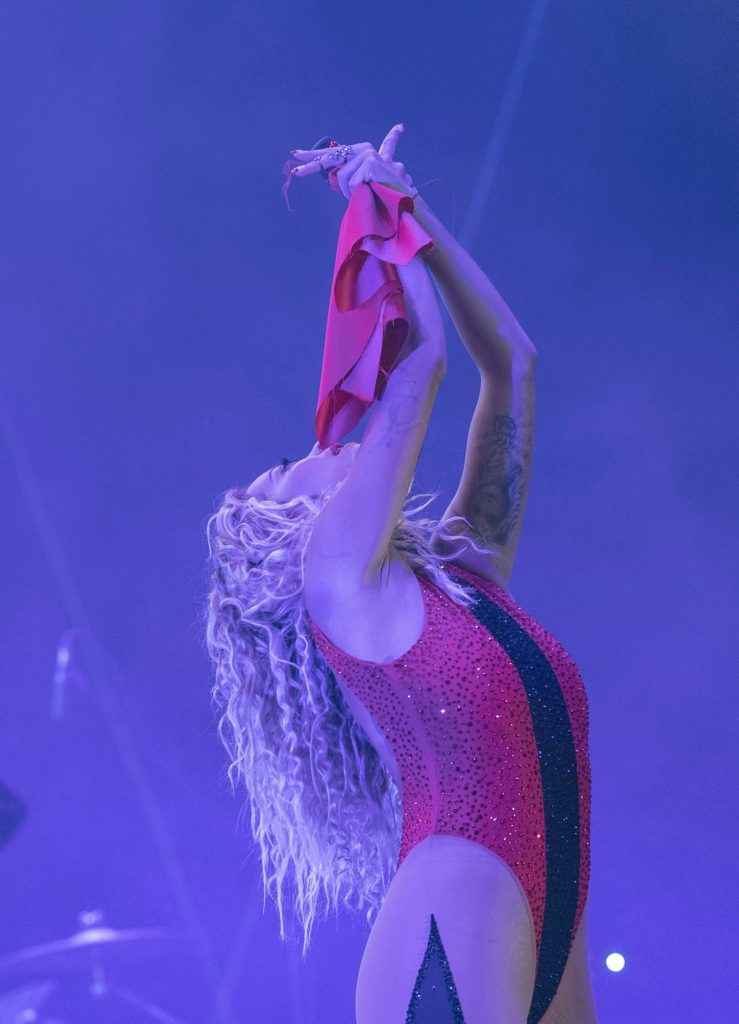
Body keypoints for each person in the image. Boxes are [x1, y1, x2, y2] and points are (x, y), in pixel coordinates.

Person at [205, 124, 598, 1023]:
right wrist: (377, 221)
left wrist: (410, 210)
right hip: (460, 899)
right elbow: (420, 360)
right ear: (274, 540)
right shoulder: (334, 584)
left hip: (547, 908)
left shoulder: (466, 578)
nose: (316, 448)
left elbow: (513, 364)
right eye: (284, 470)